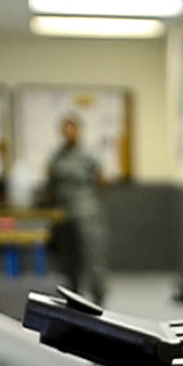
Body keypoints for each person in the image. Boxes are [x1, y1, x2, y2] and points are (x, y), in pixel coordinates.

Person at [44, 114, 108, 304]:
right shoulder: (56, 156)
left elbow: (102, 180)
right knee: (68, 261)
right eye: (65, 128)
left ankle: (99, 299)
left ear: (79, 130)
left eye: (72, 128)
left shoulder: (90, 154)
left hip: (87, 213)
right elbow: (51, 183)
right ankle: (73, 298)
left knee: (93, 259)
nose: (69, 132)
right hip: (64, 214)